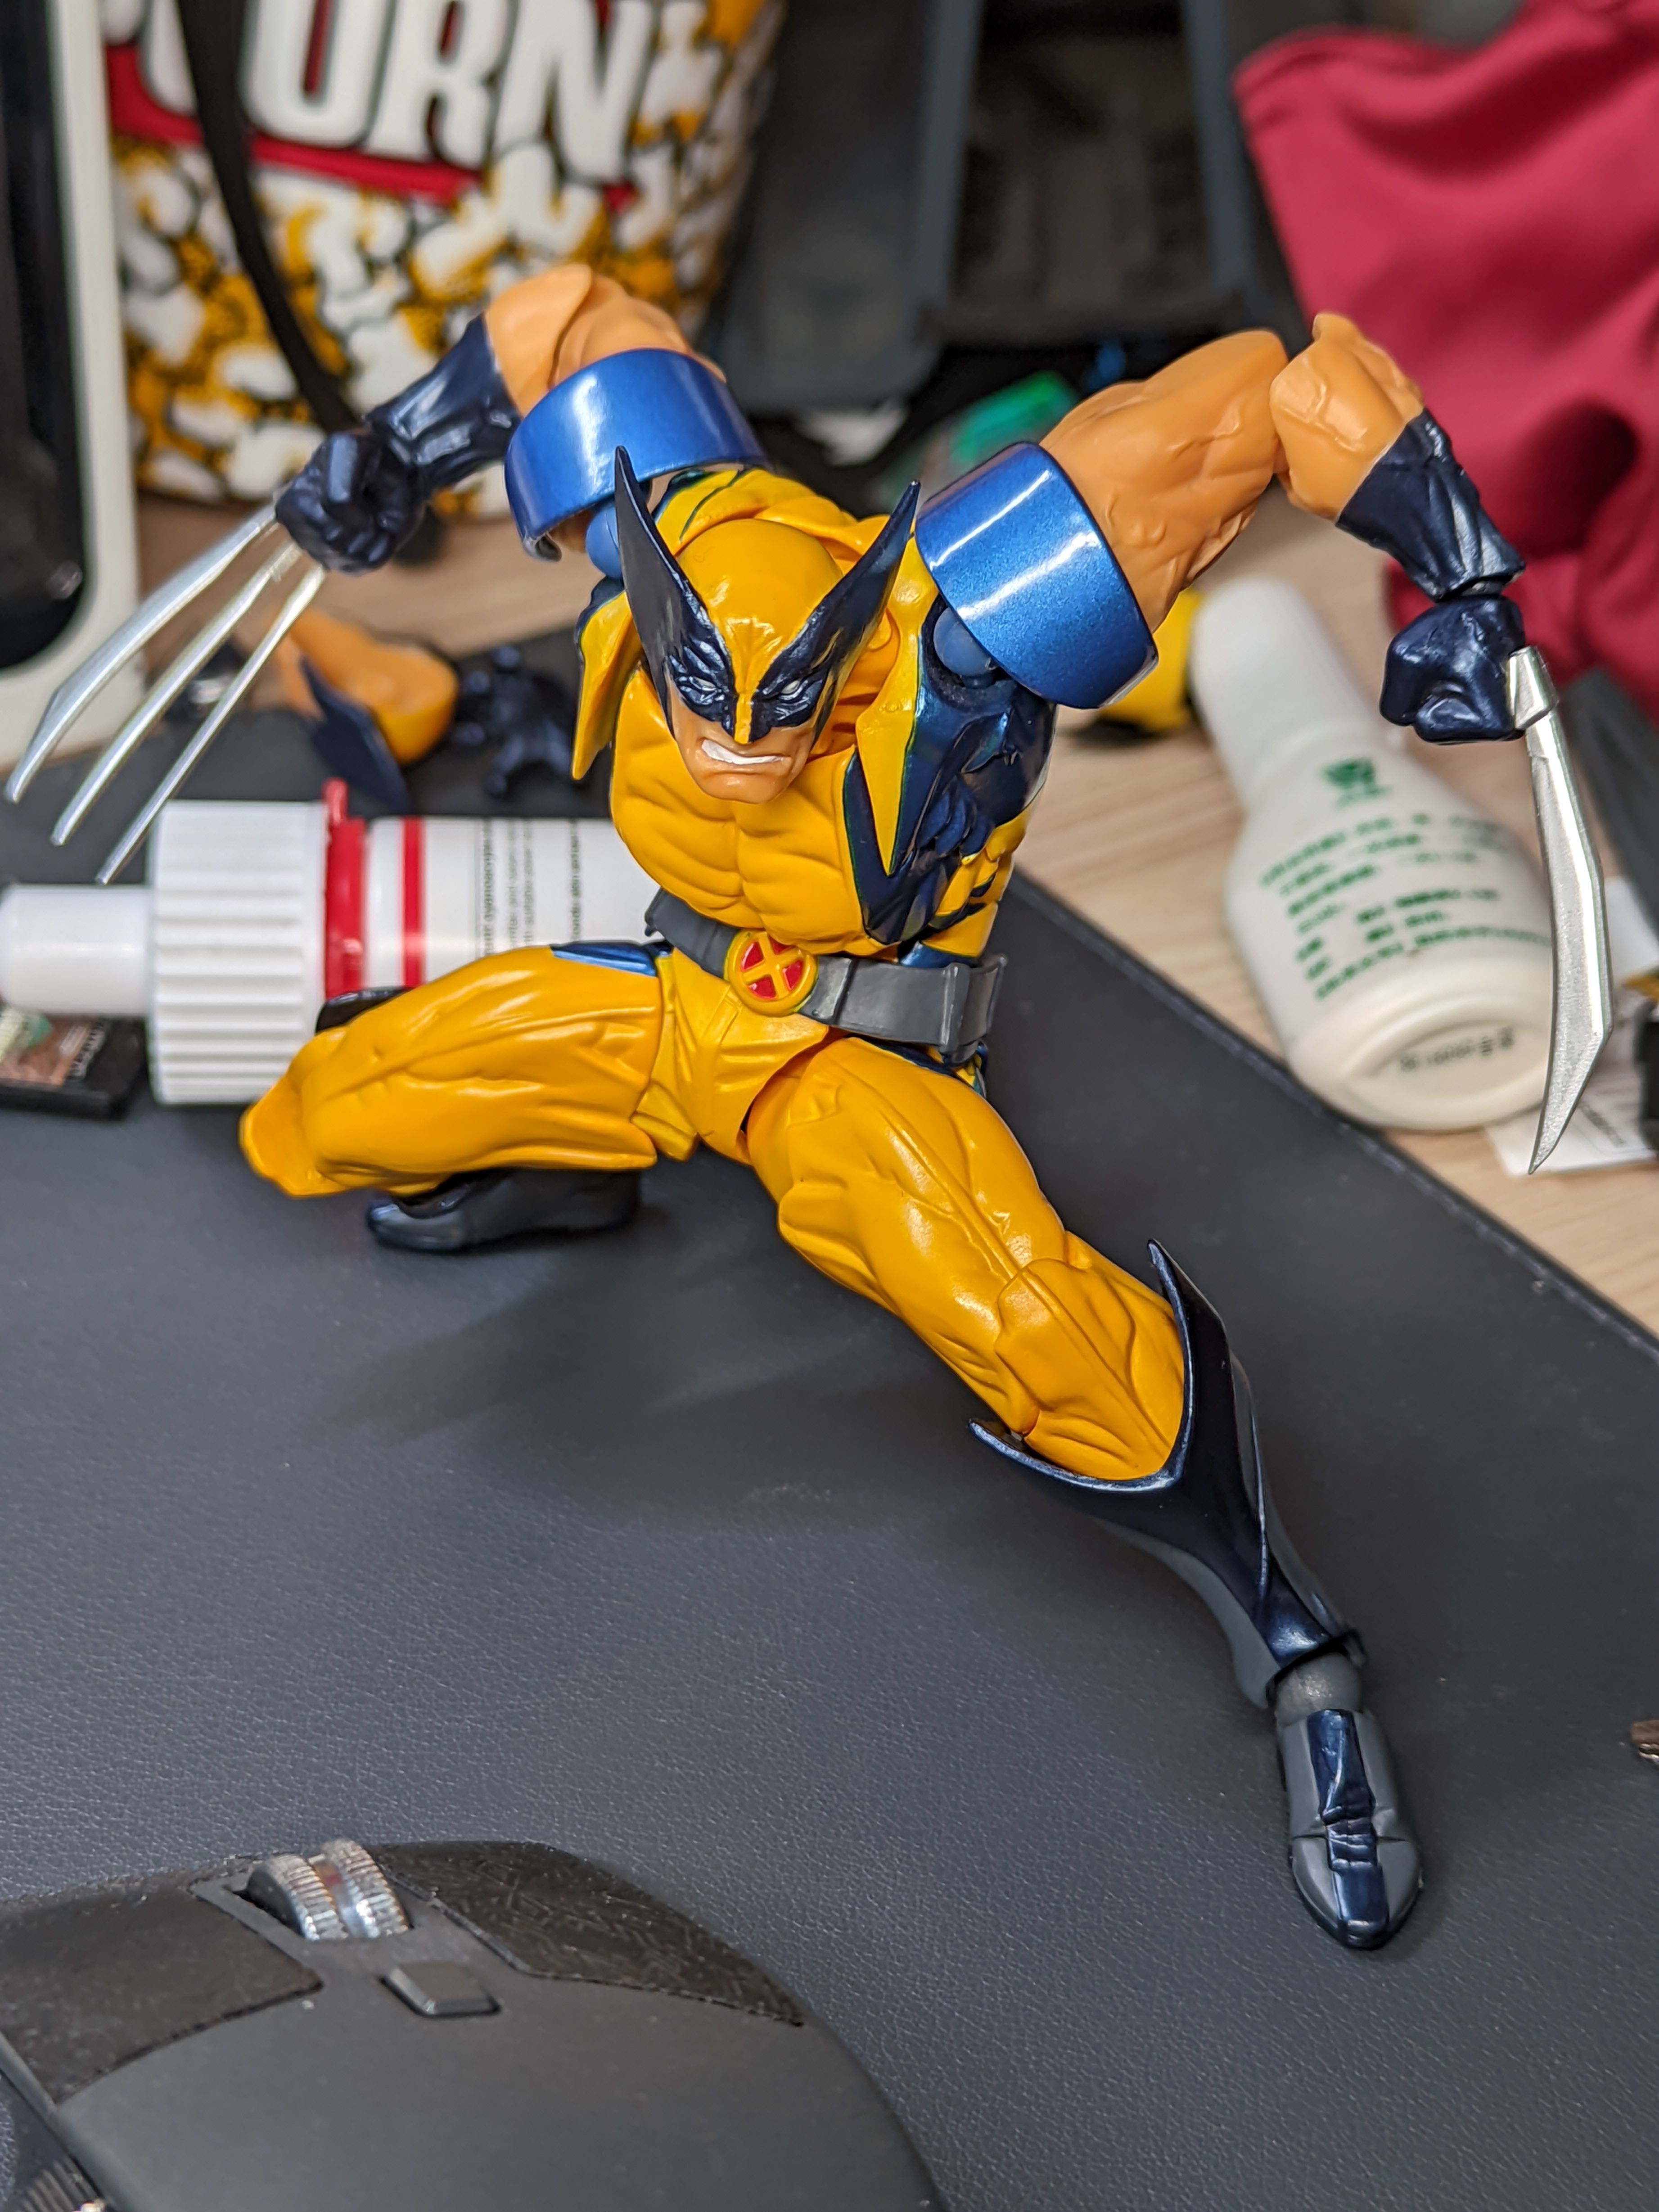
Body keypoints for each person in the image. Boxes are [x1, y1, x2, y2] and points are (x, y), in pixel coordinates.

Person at [242, 262, 1526, 1947]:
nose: (740, 749)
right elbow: (564, 319)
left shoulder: (968, 618)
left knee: (1039, 1332)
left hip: (857, 1070)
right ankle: (572, 1173)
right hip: (679, 1003)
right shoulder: (661, 504)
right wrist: (395, 455)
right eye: (709, 694)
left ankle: (1300, 1649)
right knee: (341, 1098)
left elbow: (1275, 393)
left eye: (790, 706)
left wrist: (1459, 571)